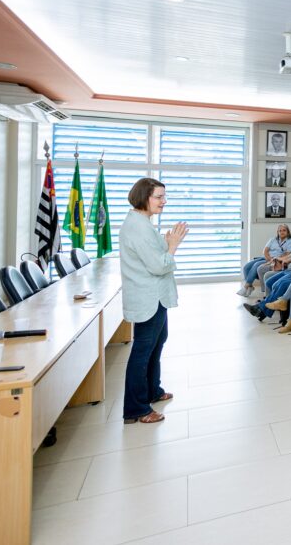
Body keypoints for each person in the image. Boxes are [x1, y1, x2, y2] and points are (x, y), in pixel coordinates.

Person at [119, 178, 188, 424]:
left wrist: (166, 245)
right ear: (143, 197)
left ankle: (152, 391)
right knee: (143, 350)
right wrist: (173, 246)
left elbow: (155, 255)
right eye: (159, 197)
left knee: (157, 342)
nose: (164, 201)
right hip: (148, 297)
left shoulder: (143, 223)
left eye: (164, 196)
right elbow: (159, 265)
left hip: (155, 296)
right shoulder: (138, 228)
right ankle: (136, 408)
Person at [239, 224, 291, 297]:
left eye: (284, 230)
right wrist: (269, 259)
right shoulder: (273, 239)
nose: (282, 232)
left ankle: (247, 286)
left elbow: (287, 254)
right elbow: (265, 251)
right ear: (277, 232)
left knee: (257, 265)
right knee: (246, 267)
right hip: (266, 258)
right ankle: (250, 287)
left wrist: (274, 260)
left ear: (288, 232)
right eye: (280, 231)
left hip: (276, 260)